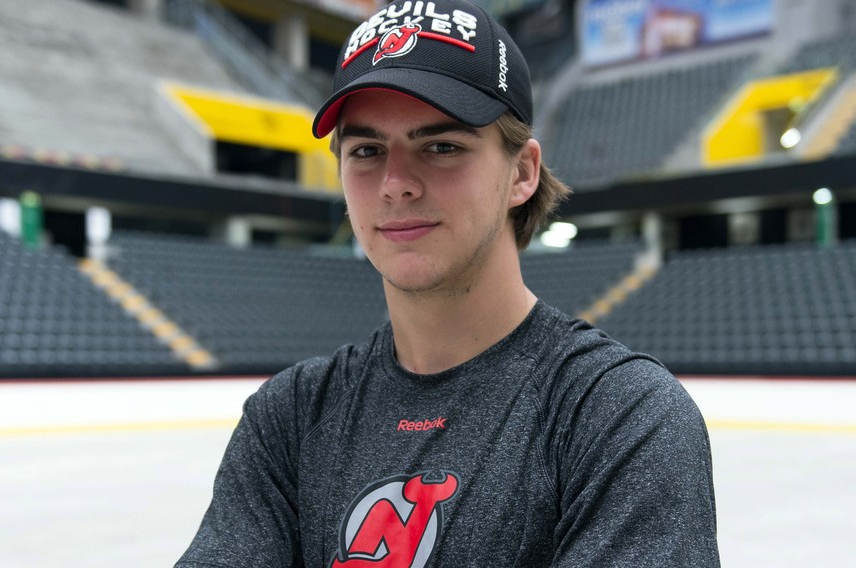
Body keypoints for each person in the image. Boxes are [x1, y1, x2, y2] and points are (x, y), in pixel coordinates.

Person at [176, 0, 720, 566]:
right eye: (366, 150)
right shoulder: (289, 417)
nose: (395, 183)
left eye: (441, 147)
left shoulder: (618, 416)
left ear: (523, 173)